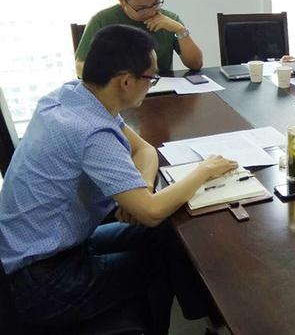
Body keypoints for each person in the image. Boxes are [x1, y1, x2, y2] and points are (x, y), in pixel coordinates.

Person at [1, 25, 236, 334]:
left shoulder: (72, 96)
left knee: (164, 234)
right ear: (125, 81)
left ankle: (211, 319)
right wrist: (204, 169)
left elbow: (145, 150)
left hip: (37, 251)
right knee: (162, 259)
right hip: (42, 282)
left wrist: (140, 191)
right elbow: (150, 212)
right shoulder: (91, 132)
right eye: (150, 78)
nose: (151, 84)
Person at [75, 0, 203, 77]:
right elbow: (80, 67)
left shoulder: (169, 20)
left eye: (156, 3)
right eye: (141, 8)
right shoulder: (102, 21)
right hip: (119, 91)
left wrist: (180, 30)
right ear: (122, 1)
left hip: (162, 89)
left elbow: (196, 65)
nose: (151, 12)